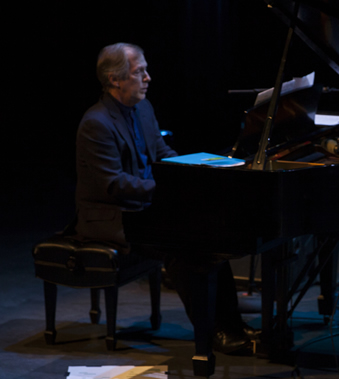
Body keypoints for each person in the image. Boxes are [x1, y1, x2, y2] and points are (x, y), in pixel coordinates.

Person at [73, 42, 254, 355]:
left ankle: (230, 323)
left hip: (144, 208)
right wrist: (170, 190)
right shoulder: (96, 123)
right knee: (181, 248)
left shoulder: (143, 107)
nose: (148, 78)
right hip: (111, 216)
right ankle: (210, 332)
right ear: (115, 79)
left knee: (213, 238)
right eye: (139, 71)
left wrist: (191, 171)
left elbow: (162, 154)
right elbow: (113, 185)